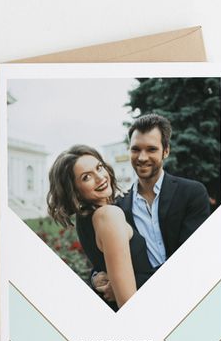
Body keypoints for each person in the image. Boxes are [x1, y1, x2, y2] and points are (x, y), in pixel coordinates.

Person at [92, 114, 211, 302]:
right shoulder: (117, 207)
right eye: (136, 149)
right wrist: (96, 278)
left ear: (166, 151)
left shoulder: (192, 193)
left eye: (151, 149)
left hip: (186, 300)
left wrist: (126, 287)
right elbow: (103, 256)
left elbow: (190, 262)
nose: (142, 157)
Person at [47, 145, 155, 310]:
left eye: (99, 167)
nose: (100, 178)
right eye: (86, 177)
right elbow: (128, 301)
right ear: (74, 191)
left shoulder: (88, 218)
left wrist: (97, 278)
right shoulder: (108, 216)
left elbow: (104, 266)